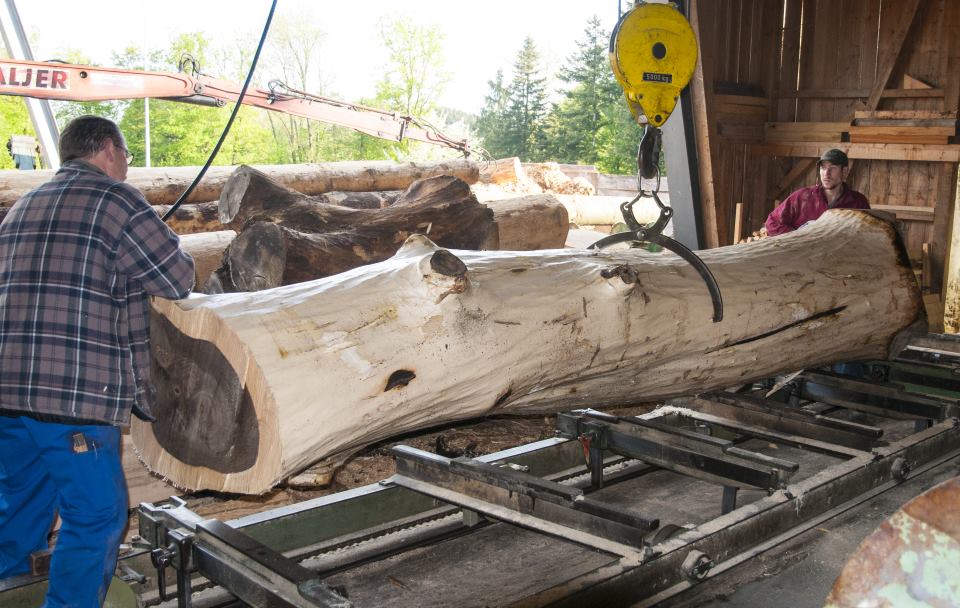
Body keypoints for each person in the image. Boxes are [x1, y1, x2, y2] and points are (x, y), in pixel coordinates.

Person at [0, 115, 195, 606]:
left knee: (20, 505)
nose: (127, 166)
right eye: (127, 156)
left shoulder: (25, 203)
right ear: (107, 149)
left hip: (7, 392)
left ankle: (10, 591)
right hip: (72, 397)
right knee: (97, 515)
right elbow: (177, 278)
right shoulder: (117, 199)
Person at [764, 148, 870, 236]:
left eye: (832, 168)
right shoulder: (802, 197)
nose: (826, 174)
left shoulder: (858, 202)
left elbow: (867, 235)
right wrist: (796, 237)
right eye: (823, 168)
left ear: (845, 171)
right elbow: (772, 222)